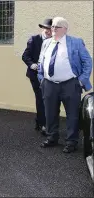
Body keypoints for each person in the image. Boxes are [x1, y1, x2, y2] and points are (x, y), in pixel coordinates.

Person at [38, 17, 93, 153]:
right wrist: (42, 78)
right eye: (52, 27)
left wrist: (81, 81)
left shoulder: (76, 42)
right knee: (50, 113)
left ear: (65, 29)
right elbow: (41, 61)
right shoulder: (46, 43)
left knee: (72, 114)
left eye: (57, 27)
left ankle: (71, 141)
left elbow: (87, 62)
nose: (53, 30)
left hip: (70, 84)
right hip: (49, 84)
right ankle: (52, 137)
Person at [22, 18, 52, 135]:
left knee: (49, 99)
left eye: (49, 29)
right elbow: (25, 56)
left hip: (49, 76)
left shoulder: (54, 41)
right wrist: (32, 65)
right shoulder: (34, 39)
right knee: (40, 98)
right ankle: (43, 124)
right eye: (46, 28)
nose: (47, 31)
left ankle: (42, 121)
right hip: (35, 75)